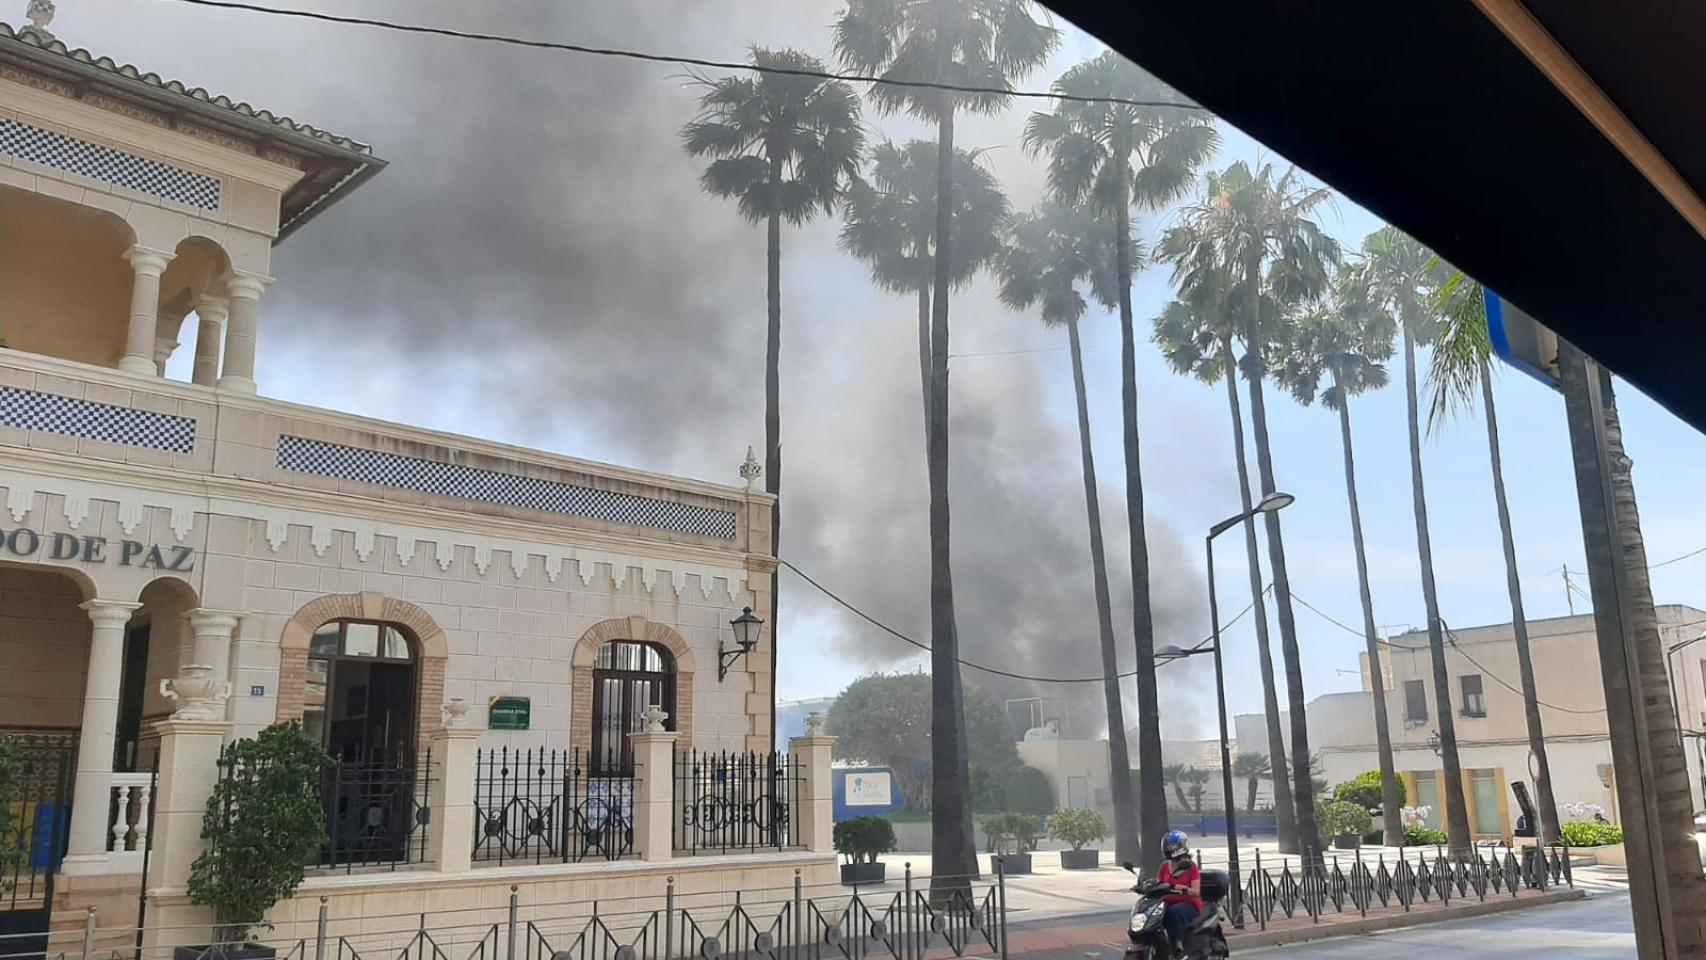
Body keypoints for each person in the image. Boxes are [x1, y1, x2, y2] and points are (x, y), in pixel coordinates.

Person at [1156, 830, 1202, 957]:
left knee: (1174, 912)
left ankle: (1179, 944)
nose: (1169, 848)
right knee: (1154, 914)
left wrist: (1183, 888)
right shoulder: (1164, 866)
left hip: (1189, 904)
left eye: (1172, 846)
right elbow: (1159, 884)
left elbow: (1196, 892)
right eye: (1167, 846)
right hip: (1167, 902)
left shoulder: (1190, 866)